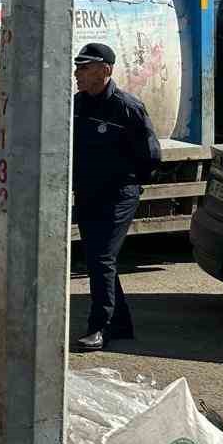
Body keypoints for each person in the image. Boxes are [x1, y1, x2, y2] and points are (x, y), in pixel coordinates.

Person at [71, 42, 161, 352]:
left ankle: (101, 326)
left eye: (84, 68)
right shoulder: (77, 105)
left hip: (119, 193)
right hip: (87, 192)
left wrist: (129, 185)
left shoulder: (127, 107)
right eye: (77, 67)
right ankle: (120, 322)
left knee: (101, 258)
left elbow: (150, 156)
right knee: (97, 258)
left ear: (105, 71)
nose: (77, 74)